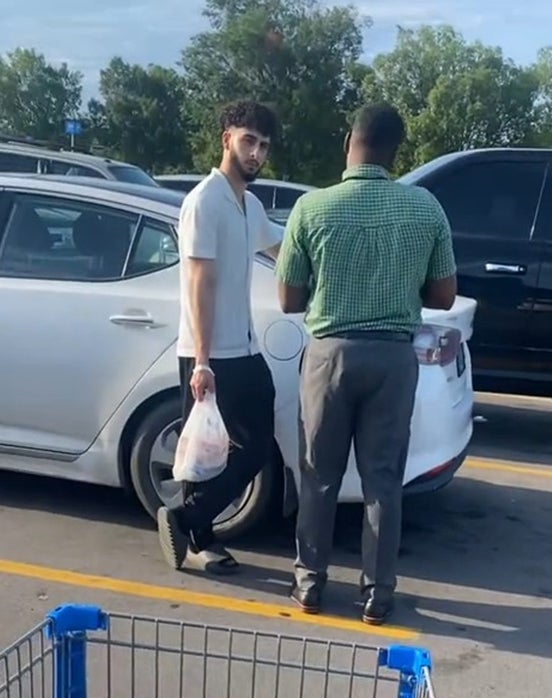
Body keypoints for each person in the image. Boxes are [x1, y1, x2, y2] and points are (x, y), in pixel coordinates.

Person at [276, 102, 457, 625]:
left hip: (329, 356)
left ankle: (310, 583)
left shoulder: (311, 208)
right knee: (383, 480)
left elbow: (288, 298)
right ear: (396, 152)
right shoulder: (425, 208)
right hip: (394, 359)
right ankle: (378, 593)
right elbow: (444, 295)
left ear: (348, 143)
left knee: (319, 475)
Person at [158, 100, 284, 575]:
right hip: (209, 352)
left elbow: (282, 247)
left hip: (245, 347)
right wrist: (203, 361)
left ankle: (186, 518)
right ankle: (200, 538)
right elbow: (199, 282)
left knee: (254, 446)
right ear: (227, 139)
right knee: (204, 449)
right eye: (249, 141)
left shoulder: (249, 204)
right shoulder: (203, 201)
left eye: (264, 146)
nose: (256, 153)